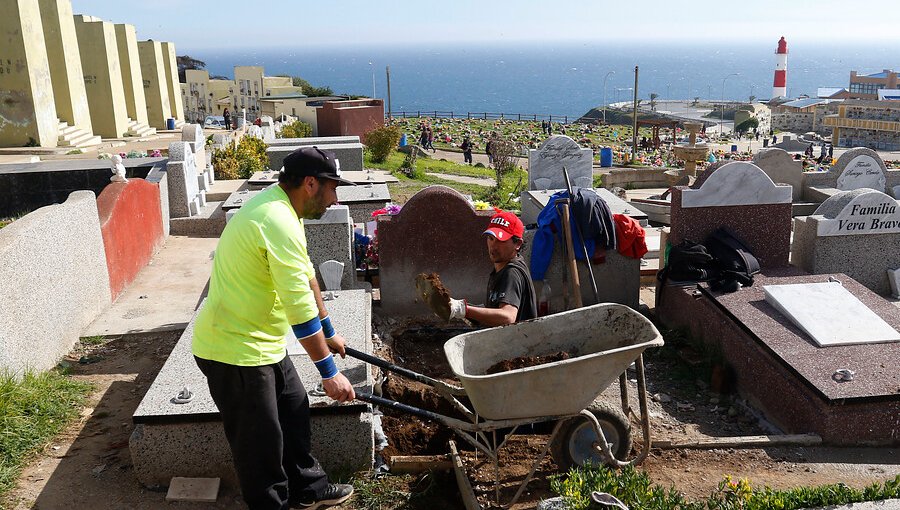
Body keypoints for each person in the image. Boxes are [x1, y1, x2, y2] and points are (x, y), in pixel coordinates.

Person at [192, 146, 356, 510]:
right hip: (234, 352)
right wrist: (329, 373)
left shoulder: (285, 209)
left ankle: (307, 490)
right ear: (310, 184)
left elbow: (308, 278)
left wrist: (329, 331)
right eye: (332, 188)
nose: (335, 198)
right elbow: (299, 309)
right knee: (260, 447)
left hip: (260, 343)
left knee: (294, 409)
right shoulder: (275, 219)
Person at [430, 211, 537, 326]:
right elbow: (495, 312)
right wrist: (456, 308)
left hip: (516, 342)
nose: (493, 246)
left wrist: (463, 309)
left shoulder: (511, 273)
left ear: (517, 244)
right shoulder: (503, 268)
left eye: (501, 240)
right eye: (491, 238)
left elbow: (507, 317)